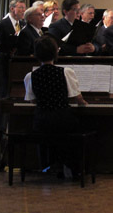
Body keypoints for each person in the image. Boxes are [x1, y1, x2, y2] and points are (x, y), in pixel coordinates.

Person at [24, 35, 88, 174]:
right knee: (82, 126)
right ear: (56, 52)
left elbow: (32, 100)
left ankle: (48, 164)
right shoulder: (66, 72)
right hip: (62, 120)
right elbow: (77, 98)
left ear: (36, 55)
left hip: (42, 121)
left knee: (48, 132)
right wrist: (84, 102)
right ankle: (73, 167)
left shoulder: (30, 76)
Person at [0, 0, 26, 97]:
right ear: (12, 9)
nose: (23, 10)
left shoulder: (23, 24)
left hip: (18, 62)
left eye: (24, 8)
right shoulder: (2, 24)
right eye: (21, 7)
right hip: (5, 62)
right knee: (5, 91)